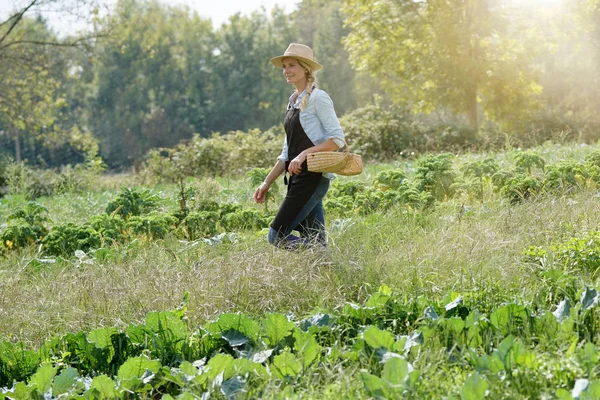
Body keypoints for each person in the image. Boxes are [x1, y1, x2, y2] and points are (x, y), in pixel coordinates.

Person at [253, 43, 346, 248]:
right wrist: (266, 183)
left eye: (292, 65)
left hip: (313, 178)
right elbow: (287, 152)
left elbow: (338, 139)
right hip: (298, 179)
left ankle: (319, 255)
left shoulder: (318, 98)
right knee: (317, 240)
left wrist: (304, 154)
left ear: (305, 68)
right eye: (284, 66)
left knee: (276, 236)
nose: (286, 70)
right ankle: (325, 267)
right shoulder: (293, 100)